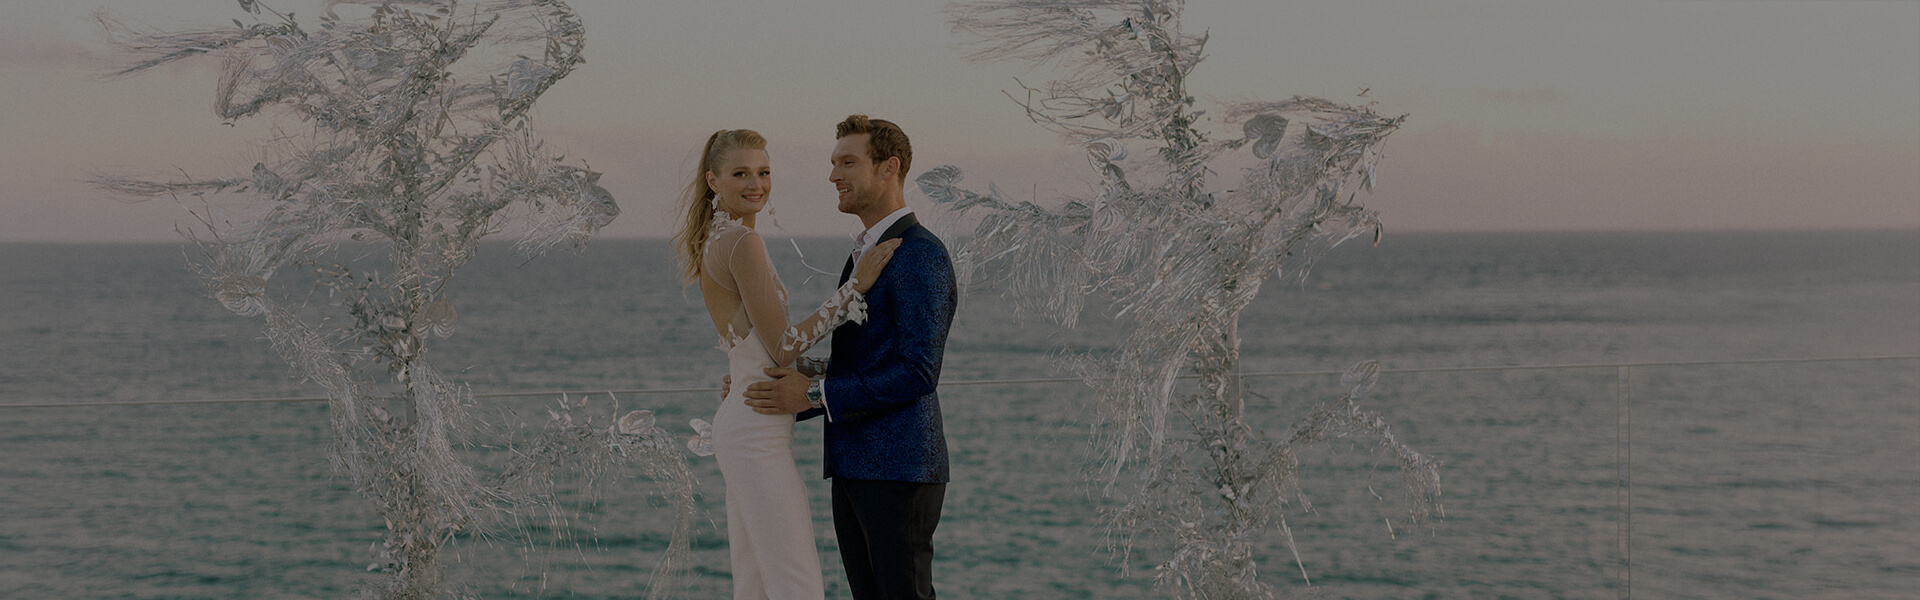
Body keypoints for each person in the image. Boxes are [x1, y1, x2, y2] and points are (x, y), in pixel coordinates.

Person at [673, 128, 900, 600]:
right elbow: (783, 349)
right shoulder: (741, 243)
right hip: (755, 434)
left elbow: (758, 353)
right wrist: (853, 288)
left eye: (763, 172)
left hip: (746, 419)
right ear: (714, 180)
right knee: (798, 585)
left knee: (757, 584)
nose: (756, 184)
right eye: (741, 173)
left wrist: (824, 372)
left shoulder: (722, 238)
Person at [744, 115, 958, 600]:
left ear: (890, 168)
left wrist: (816, 393)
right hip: (857, 463)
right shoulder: (868, 252)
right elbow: (871, 358)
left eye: (848, 162)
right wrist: (777, 381)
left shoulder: (920, 254)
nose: (833, 175)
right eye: (832, 163)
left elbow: (919, 371)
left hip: (899, 467)